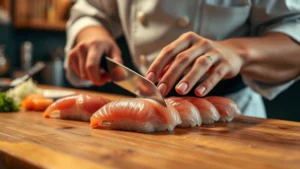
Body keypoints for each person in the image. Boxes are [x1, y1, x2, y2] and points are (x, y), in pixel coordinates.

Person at [64, 0, 300, 118]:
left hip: (232, 116)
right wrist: (92, 34)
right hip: (147, 111)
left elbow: (294, 33)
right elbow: (90, 10)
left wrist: (239, 52)